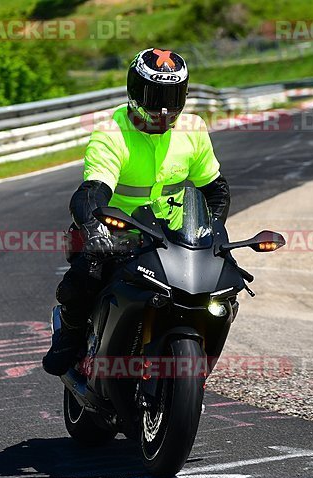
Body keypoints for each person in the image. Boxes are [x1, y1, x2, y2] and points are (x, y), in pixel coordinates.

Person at [43, 48, 231, 375]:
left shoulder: (193, 130)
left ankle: (200, 352)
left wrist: (212, 231)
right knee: (83, 278)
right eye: (153, 95)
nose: (162, 107)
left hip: (176, 239)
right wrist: (93, 228)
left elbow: (216, 190)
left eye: (173, 96)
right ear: (133, 92)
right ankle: (69, 337)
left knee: (224, 284)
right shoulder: (111, 133)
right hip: (117, 236)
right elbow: (91, 192)